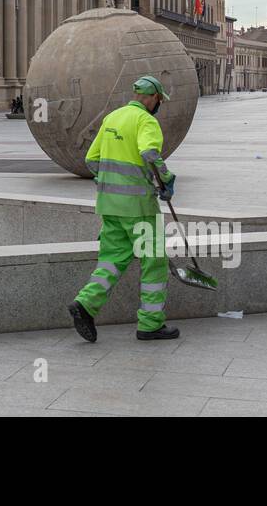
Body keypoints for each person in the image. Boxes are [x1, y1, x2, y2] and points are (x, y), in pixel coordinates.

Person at [69, 75, 180, 344]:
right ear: (153, 97)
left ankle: (85, 303)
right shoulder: (146, 121)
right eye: (158, 100)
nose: (158, 105)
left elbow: (91, 159)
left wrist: (108, 180)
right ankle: (150, 324)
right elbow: (149, 153)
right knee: (154, 262)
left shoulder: (113, 117)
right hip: (139, 207)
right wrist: (166, 181)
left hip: (109, 205)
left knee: (112, 259)